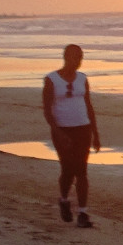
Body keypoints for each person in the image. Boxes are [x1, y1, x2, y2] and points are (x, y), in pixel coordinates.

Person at [42, 45, 100, 228]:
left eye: (81, 58)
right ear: (67, 57)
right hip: (62, 130)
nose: (79, 62)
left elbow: (89, 106)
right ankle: (64, 199)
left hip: (83, 128)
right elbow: (47, 110)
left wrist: (95, 134)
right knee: (67, 170)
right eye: (76, 58)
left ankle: (83, 213)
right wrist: (59, 133)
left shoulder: (83, 79)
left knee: (81, 171)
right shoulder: (51, 80)